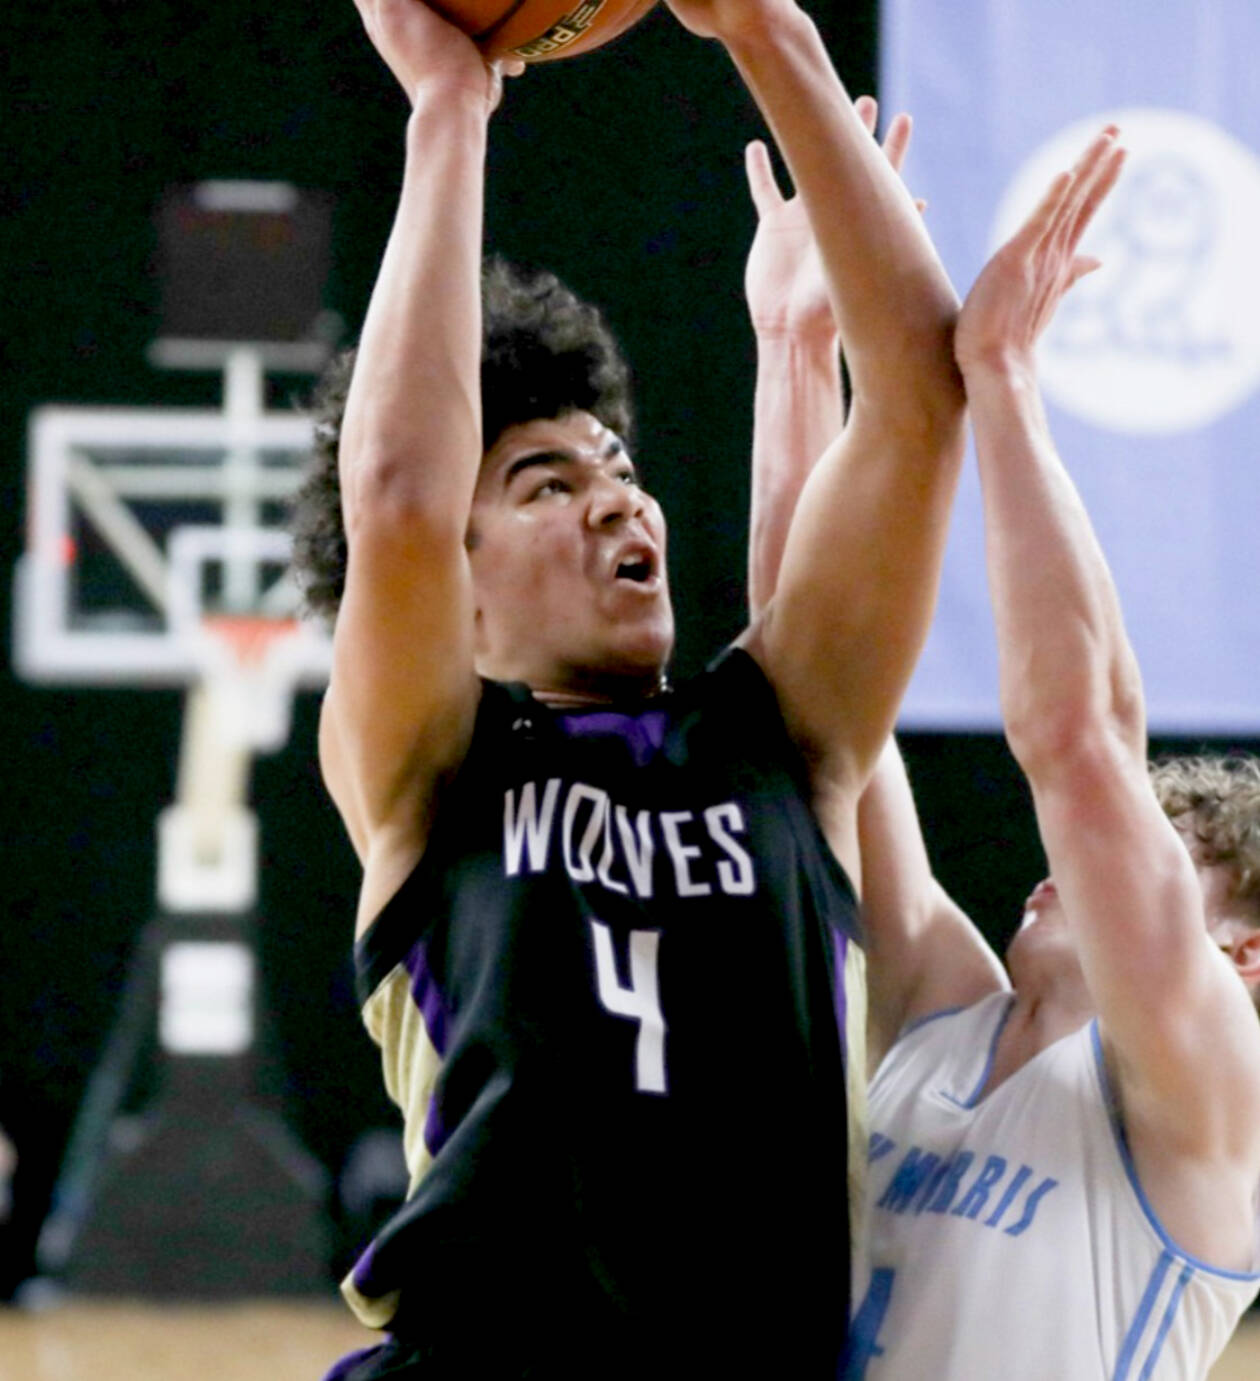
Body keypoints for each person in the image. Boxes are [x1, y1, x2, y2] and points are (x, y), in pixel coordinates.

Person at [291, 0, 966, 1372]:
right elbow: (401, 500)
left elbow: (919, 401)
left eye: (617, 464)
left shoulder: (787, 734)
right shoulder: (429, 768)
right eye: (549, 482)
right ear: (462, 597)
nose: (615, 498)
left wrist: (771, 33)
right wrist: (449, 114)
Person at [742, 113, 1260, 1380]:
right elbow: (808, 705)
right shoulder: (942, 1014)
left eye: (1158, 856)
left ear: (1242, 954)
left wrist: (1006, 383)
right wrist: (797, 346)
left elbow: (1081, 747)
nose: (1070, 869)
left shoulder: (1211, 1087)